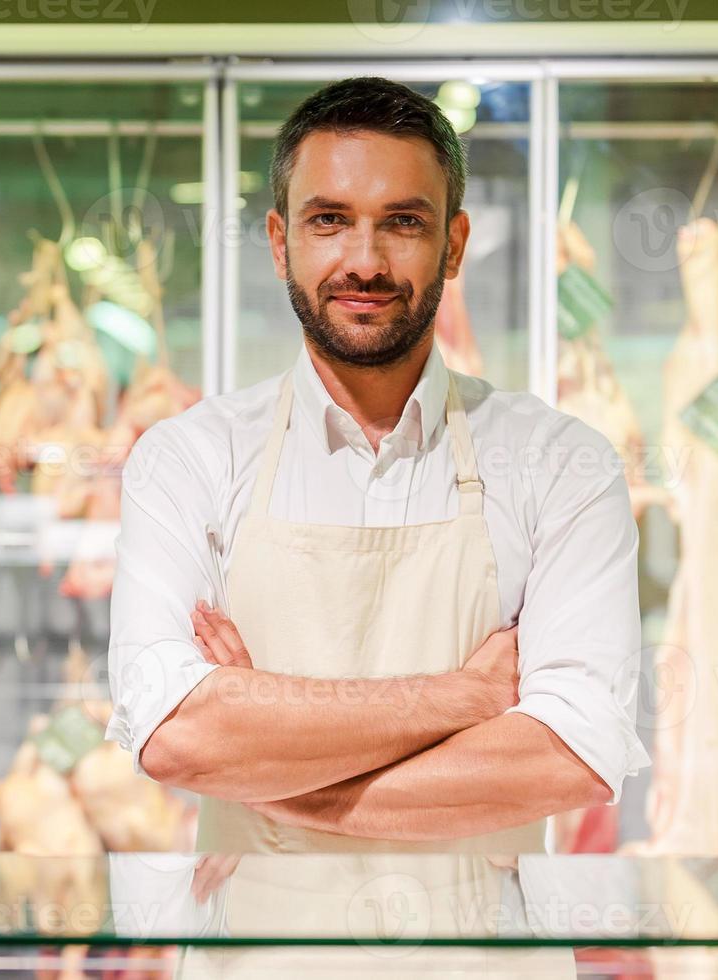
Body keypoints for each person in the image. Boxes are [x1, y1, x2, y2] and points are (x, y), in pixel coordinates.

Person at [105, 76, 649, 853]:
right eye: (328, 220)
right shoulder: (187, 458)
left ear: (452, 244)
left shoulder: (561, 464)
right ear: (278, 239)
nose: (363, 261)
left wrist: (271, 773)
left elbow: (570, 755)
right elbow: (178, 738)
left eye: (402, 222)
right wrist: (468, 696)